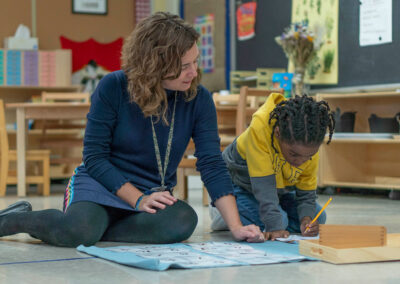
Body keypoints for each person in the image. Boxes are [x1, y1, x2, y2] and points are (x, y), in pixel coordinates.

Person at [0, 12, 264, 247]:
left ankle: (95, 228)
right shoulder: (113, 87)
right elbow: (94, 158)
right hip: (100, 184)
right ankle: (15, 220)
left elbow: (211, 164)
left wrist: (236, 226)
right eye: (185, 66)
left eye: (195, 62)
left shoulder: (199, 99)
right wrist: (136, 200)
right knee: (77, 231)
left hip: (151, 193)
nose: (194, 72)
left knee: (183, 220)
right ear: (155, 64)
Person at [210, 93, 335, 240]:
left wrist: (306, 219)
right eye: (294, 154)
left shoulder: (310, 140)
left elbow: (306, 192)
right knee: (278, 221)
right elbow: (264, 190)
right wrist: (275, 226)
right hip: (238, 185)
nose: (301, 161)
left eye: (309, 156)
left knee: (318, 219)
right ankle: (223, 212)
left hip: (278, 191)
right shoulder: (260, 128)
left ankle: (254, 216)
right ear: (278, 133)